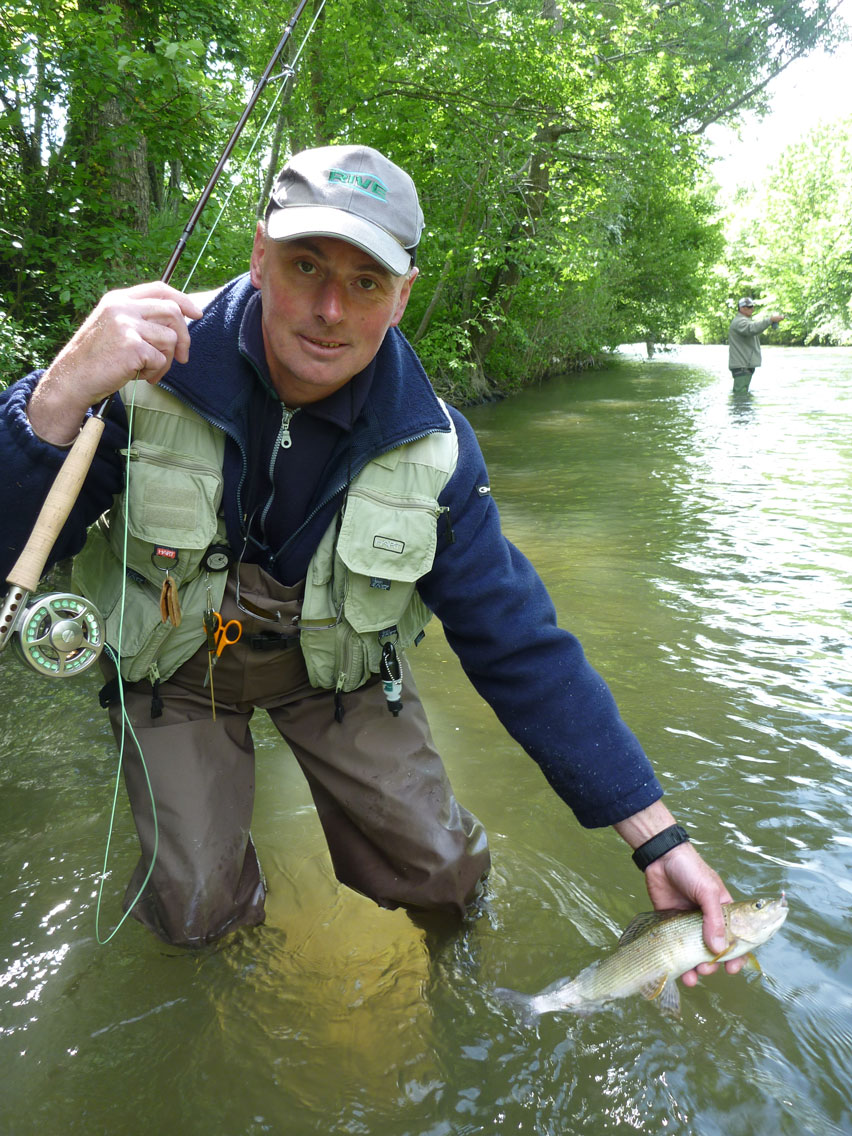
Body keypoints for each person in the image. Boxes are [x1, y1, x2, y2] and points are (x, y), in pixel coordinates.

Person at [0, 145, 741, 986]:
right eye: (305, 264)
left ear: (401, 300)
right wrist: (56, 399)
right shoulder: (134, 377)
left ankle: (463, 993)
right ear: (257, 255)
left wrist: (658, 837)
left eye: (365, 282)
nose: (327, 308)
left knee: (445, 875)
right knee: (193, 909)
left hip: (337, 672)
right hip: (172, 672)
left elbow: (520, 644)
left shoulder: (436, 449)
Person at [728, 297, 785, 392]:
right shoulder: (739, 322)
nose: (752, 309)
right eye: (749, 307)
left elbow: (754, 327)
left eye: (752, 307)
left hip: (745, 365)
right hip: (742, 366)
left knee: (742, 397)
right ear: (741, 308)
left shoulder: (744, 321)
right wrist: (770, 320)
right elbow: (752, 328)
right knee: (740, 396)